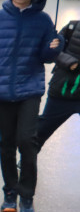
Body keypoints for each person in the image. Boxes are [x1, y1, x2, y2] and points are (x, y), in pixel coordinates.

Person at [0, 0, 60, 212]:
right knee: (7, 144)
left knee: (27, 141)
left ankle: (27, 196)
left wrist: (55, 45)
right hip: (2, 90)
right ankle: (9, 192)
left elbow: (47, 56)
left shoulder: (43, 19)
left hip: (30, 90)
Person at [37, 19, 80, 150]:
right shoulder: (72, 27)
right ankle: (26, 164)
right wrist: (69, 62)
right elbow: (52, 51)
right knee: (40, 133)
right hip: (62, 92)